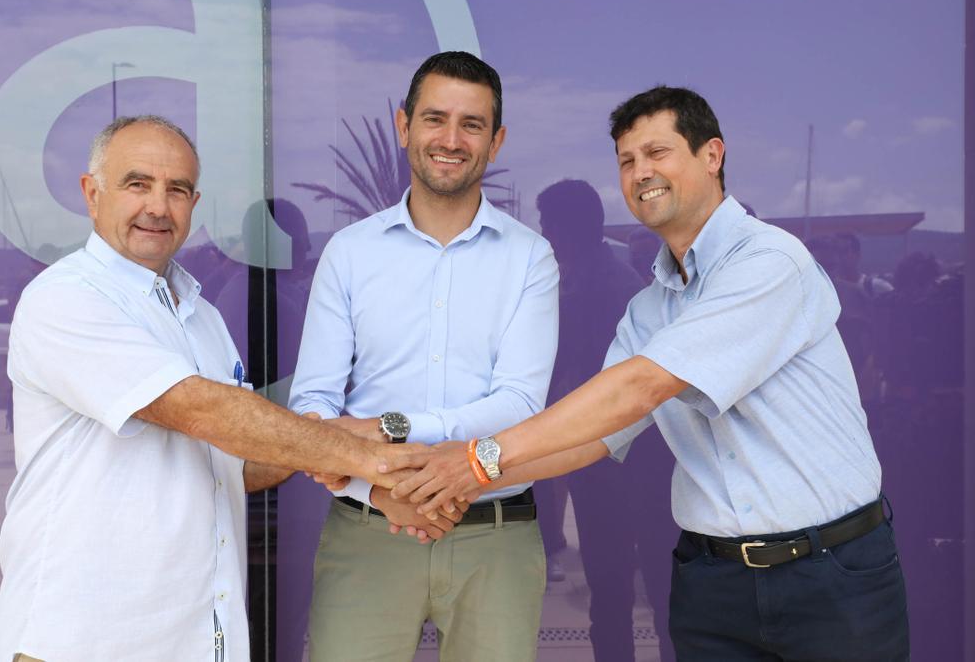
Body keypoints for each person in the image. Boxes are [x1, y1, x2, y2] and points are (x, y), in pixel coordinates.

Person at [387, 86, 909, 660]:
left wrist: (475, 459)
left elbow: (639, 389)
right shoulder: (648, 308)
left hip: (828, 574)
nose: (641, 173)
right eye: (627, 161)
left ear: (712, 156)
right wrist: (462, 481)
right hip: (713, 584)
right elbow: (600, 434)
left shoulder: (770, 262)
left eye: (658, 153)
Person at [0, 115, 426, 662]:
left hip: (193, 635)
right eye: (137, 184)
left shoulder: (199, 316)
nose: (157, 206)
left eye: (176, 190)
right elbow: (204, 413)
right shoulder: (66, 298)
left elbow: (236, 460)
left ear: (194, 204)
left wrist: (338, 435)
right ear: (91, 192)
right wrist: (368, 460)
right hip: (83, 638)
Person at [289, 51, 559, 662]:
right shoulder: (349, 253)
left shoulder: (530, 258)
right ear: (403, 125)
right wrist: (382, 489)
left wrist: (393, 432)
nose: (451, 139)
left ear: (496, 140)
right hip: (368, 531)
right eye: (435, 118)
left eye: (472, 124)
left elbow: (518, 404)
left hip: (496, 538)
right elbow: (313, 408)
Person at [533, 179, 676, 662]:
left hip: (622, 464)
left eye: (547, 223)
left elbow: (575, 379)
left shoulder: (600, 289)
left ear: (566, 228)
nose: (543, 233)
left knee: (629, 591)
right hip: (620, 461)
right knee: (638, 590)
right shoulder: (600, 279)